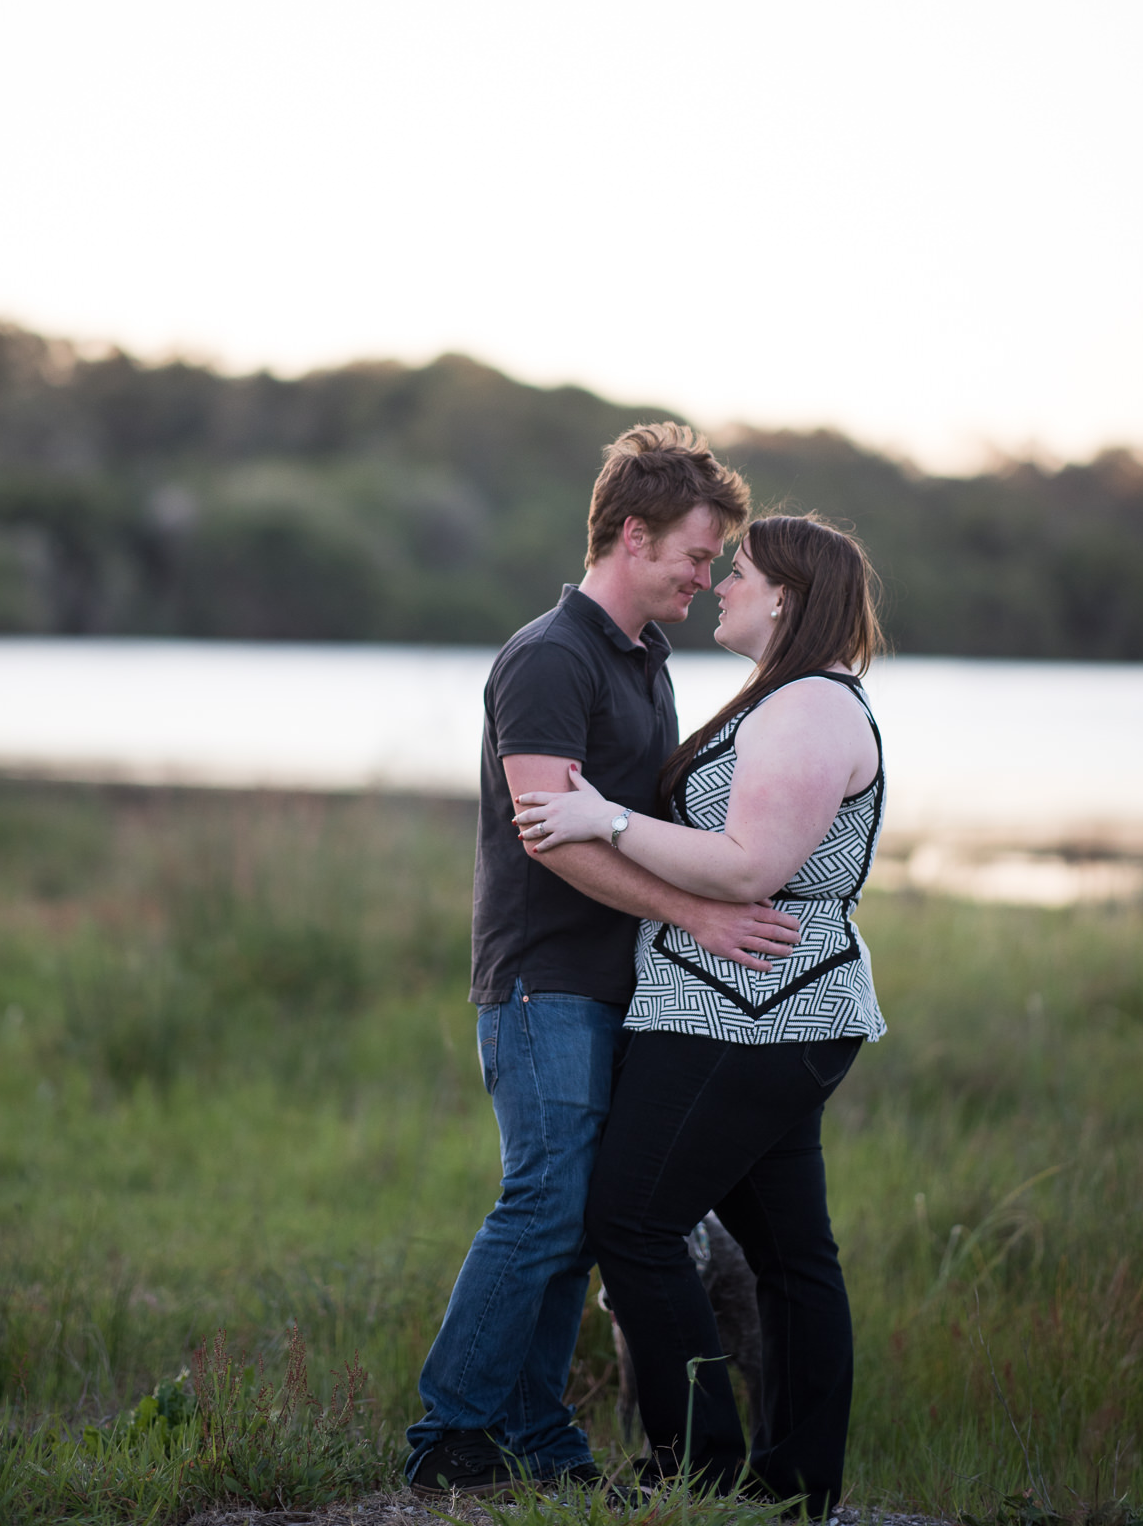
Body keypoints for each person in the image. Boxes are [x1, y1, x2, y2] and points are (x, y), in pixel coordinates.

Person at [404, 426, 803, 1496]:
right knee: (543, 1202)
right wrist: (699, 915)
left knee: (578, 1219)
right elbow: (555, 834)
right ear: (633, 534)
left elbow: (634, 818)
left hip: (614, 985)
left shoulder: (645, 661)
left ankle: (539, 1438)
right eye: (694, 550)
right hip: (542, 980)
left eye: (717, 559)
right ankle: (447, 1431)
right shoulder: (548, 654)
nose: (705, 572)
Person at [516, 514, 886, 1520]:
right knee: (786, 1251)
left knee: (630, 1221)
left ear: (788, 597)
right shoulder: (781, 698)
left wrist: (607, 819)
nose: (721, 582)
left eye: (742, 570)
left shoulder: (809, 705)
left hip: (754, 1012)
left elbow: (751, 867)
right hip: (738, 1008)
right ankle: (791, 1485)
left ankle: (705, 1469)